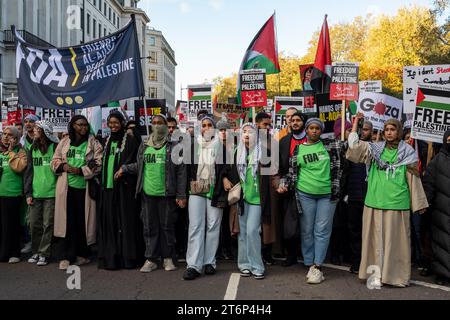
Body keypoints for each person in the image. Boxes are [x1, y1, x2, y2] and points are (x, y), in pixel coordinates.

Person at [346, 113, 429, 288]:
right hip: (374, 201)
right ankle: (374, 275)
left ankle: (395, 277)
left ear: (398, 132)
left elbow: (414, 180)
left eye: (393, 129)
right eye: (386, 130)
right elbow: (353, 146)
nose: (389, 132)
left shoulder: (408, 153)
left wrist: (419, 203)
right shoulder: (375, 149)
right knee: (374, 242)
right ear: (383, 132)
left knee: (395, 244)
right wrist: (355, 123)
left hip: (398, 203)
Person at [278, 118, 346, 284]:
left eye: (317, 128)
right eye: (311, 128)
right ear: (306, 131)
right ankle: (309, 261)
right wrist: (283, 184)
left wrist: (356, 124)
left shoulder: (332, 145)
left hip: (328, 195)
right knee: (307, 230)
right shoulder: (299, 149)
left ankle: (317, 266)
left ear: (321, 131)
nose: (314, 131)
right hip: (305, 194)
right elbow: (291, 173)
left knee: (322, 230)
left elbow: (351, 143)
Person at [118, 115, 187, 273]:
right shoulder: (144, 145)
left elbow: (181, 173)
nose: (157, 126)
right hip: (148, 194)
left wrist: (181, 195)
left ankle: (168, 258)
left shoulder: (175, 146)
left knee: (166, 226)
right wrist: (125, 168)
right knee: (149, 227)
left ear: (165, 125)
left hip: (166, 194)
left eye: (160, 123)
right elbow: (139, 166)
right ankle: (151, 259)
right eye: (154, 123)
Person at [51, 115, 103, 270]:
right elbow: (54, 160)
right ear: (73, 125)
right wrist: (64, 167)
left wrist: (80, 170)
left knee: (83, 223)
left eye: (85, 125)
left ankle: (83, 254)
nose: (83, 128)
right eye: (80, 125)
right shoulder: (65, 142)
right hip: (66, 189)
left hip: (85, 189)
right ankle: (67, 256)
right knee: (68, 223)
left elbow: (99, 163)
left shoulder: (93, 142)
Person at [97, 111, 143, 270]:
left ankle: (127, 259)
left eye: (116, 123)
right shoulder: (106, 140)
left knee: (125, 222)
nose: (113, 126)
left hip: (124, 190)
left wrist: (124, 169)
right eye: (110, 123)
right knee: (110, 223)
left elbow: (138, 163)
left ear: (122, 123)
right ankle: (111, 258)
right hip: (108, 189)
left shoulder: (130, 139)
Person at [183, 116, 226, 280]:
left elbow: (225, 169)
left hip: (214, 191)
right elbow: (186, 170)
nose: (207, 128)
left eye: (210, 125)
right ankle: (193, 265)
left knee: (213, 226)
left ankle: (209, 262)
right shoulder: (193, 146)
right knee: (195, 227)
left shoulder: (222, 147)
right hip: (196, 190)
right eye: (204, 125)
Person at [233, 122, 274, 280]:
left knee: (252, 231)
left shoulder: (264, 152)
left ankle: (257, 266)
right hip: (242, 198)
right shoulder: (238, 152)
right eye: (244, 132)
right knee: (242, 233)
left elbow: (270, 175)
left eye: (250, 132)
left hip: (258, 199)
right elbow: (232, 173)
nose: (246, 135)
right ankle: (244, 265)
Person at [275, 112, 308, 267]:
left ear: (304, 122)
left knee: (307, 224)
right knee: (290, 226)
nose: (295, 123)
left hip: (309, 187)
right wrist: (281, 183)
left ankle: (307, 254)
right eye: (292, 120)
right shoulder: (284, 141)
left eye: (298, 120)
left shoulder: (311, 139)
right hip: (289, 189)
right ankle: (291, 255)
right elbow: (280, 166)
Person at [24, 121, 59, 266]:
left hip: (51, 193)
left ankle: (44, 253)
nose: (35, 130)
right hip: (36, 192)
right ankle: (35, 251)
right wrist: (28, 193)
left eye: (38, 128)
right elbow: (29, 172)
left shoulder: (54, 147)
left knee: (48, 224)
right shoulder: (32, 148)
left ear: (45, 131)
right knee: (33, 223)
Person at [344, 120, 372, 274]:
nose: (363, 132)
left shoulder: (376, 149)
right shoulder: (352, 149)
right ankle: (356, 261)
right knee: (354, 230)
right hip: (354, 195)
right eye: (361, 129)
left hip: (371, 196)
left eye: (367, 129)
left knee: (368, 231)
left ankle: (368, 261)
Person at [423, 130, 450, 285]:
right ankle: (442, 273)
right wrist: (425, 203)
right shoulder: (437, 161)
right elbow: (429, 184)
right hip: (440, 211)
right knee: (441, 242)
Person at [0, 126, 27, 263]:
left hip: (14, 194)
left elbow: (19, 168)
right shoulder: (0, 152)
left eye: (10, 135)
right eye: (4, 134)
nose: (6, 137)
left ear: (16, 138)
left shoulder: (21, 152)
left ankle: (14, 252)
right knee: (3, 225)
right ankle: (3, 253)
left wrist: (11, 152)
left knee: (13, 225)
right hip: (1, 193)